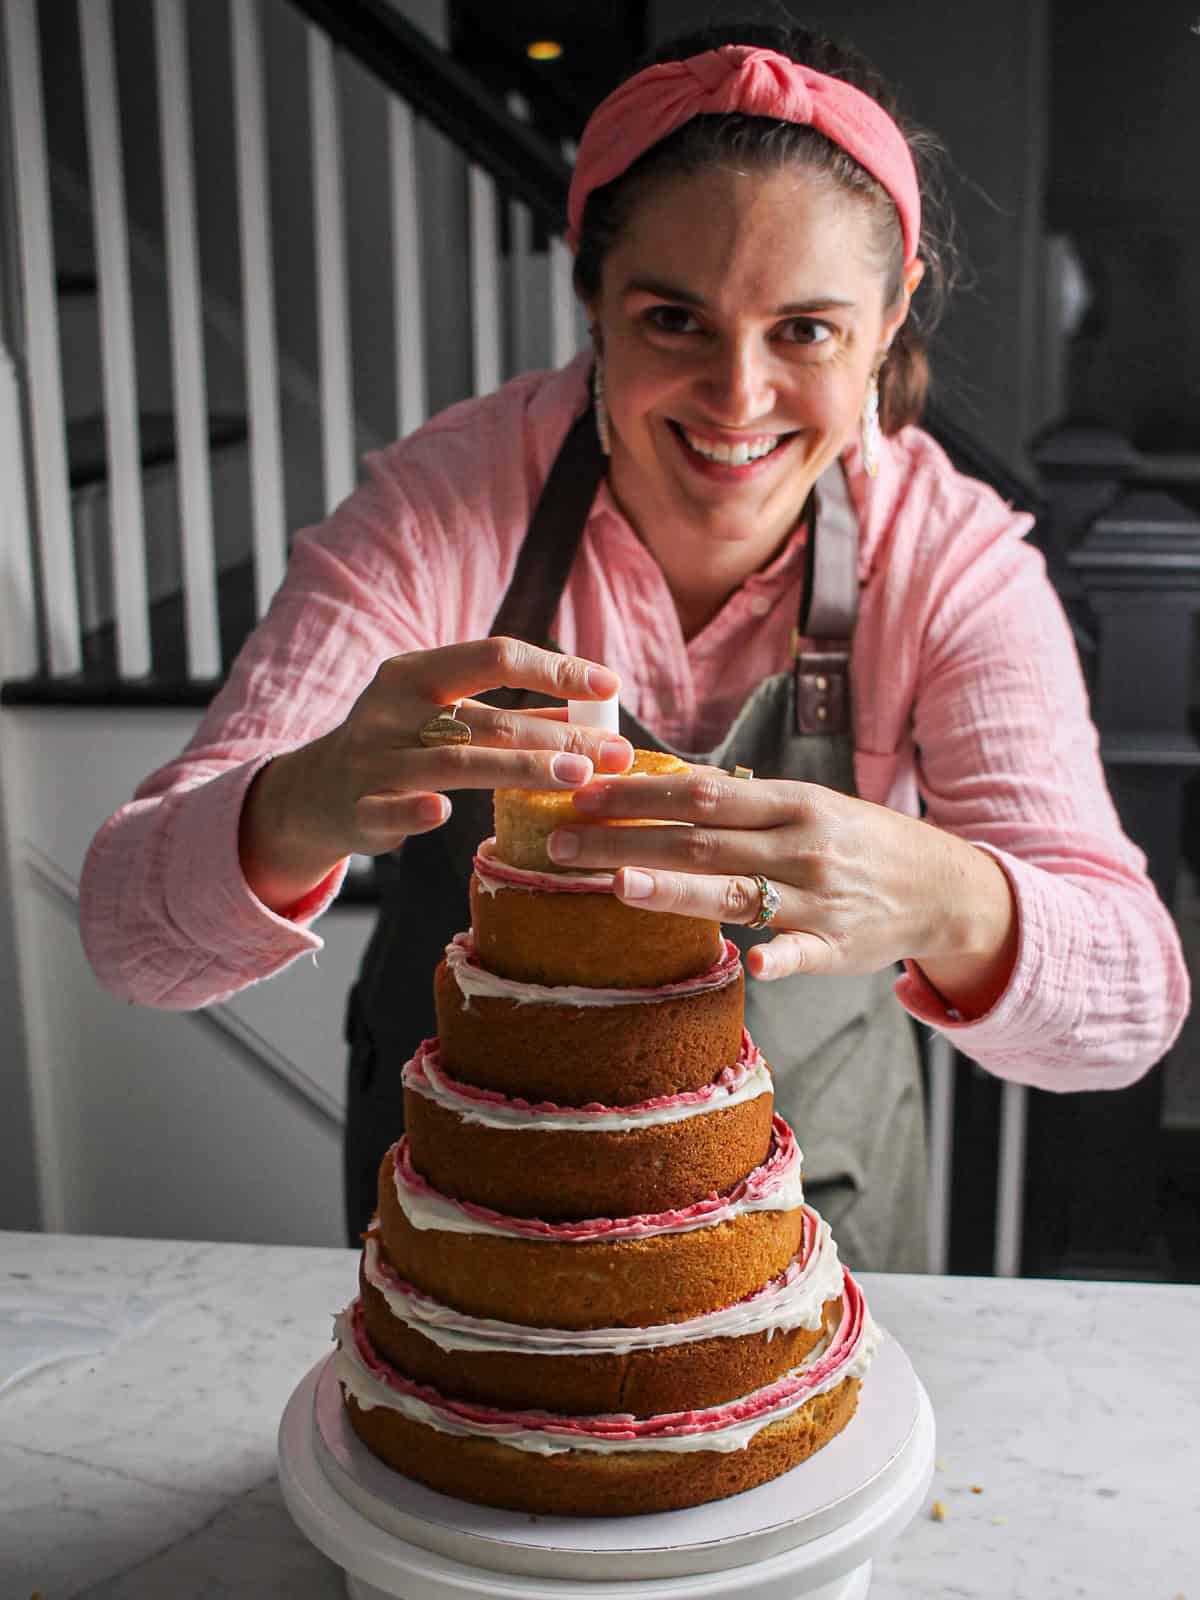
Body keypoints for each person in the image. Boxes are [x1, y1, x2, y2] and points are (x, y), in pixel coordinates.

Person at [80, 22, 1188, 1271]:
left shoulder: (947, 555)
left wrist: (942, 891)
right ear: (591, 298)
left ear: (890, 319)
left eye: (807, 330)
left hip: (814, 1216)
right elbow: (128, 935)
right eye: (675, 318)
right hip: (471, 1223)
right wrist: (295, 803)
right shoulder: (445, 504)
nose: (737, 395)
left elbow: (1132, 1006)